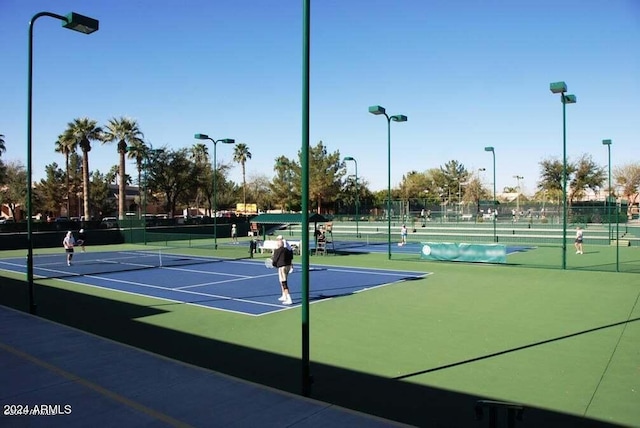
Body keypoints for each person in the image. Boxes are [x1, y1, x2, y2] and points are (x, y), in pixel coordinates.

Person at [272, 235, 293, 305]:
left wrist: (274, 265)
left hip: (282, 267)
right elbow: (291, 256)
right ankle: (284, 296)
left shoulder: (277, 250)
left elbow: (274, 261)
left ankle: (289, 299)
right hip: (287, 266)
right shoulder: (287, 249)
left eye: (278, 240)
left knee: (284, 283)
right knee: (282, 281)